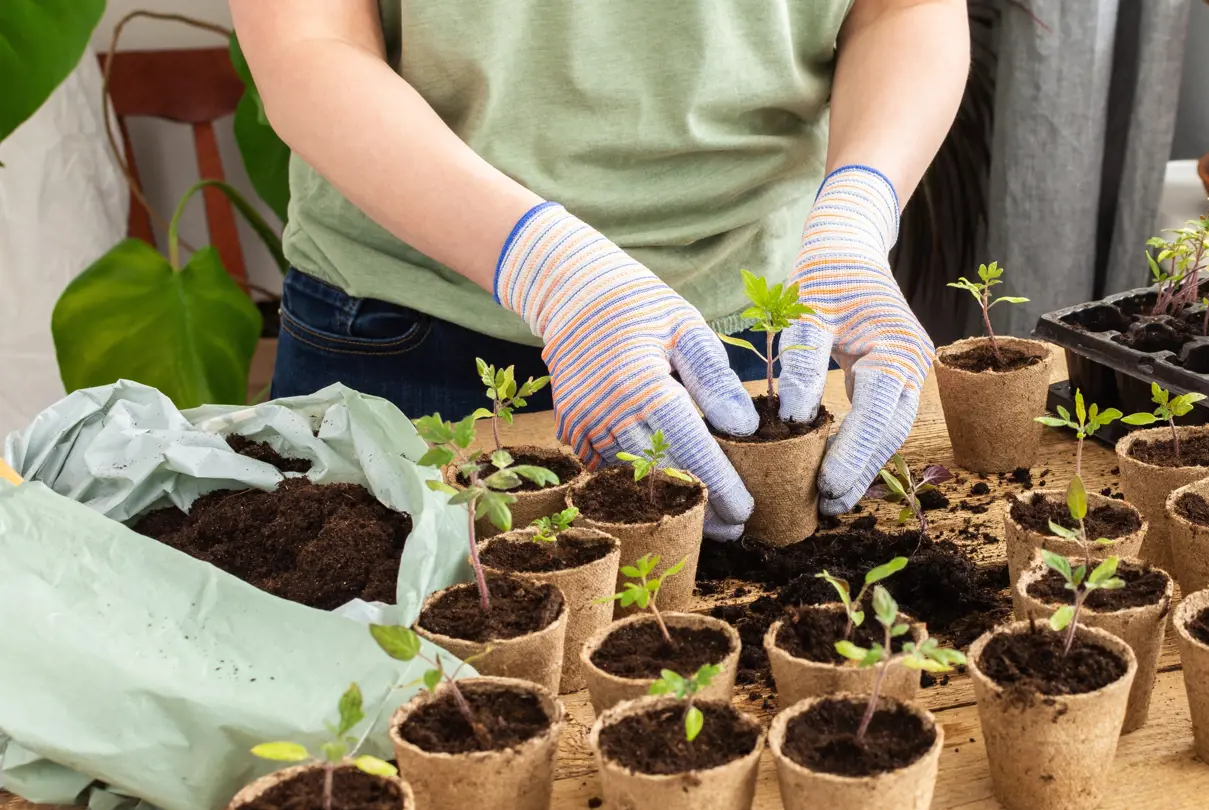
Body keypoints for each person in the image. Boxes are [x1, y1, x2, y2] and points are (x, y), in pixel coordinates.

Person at [230, 1, 969, 541]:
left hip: (750, 341)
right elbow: (307, 40)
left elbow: (902, 10)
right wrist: (550, 269)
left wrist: (857, 212)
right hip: (412, 330)